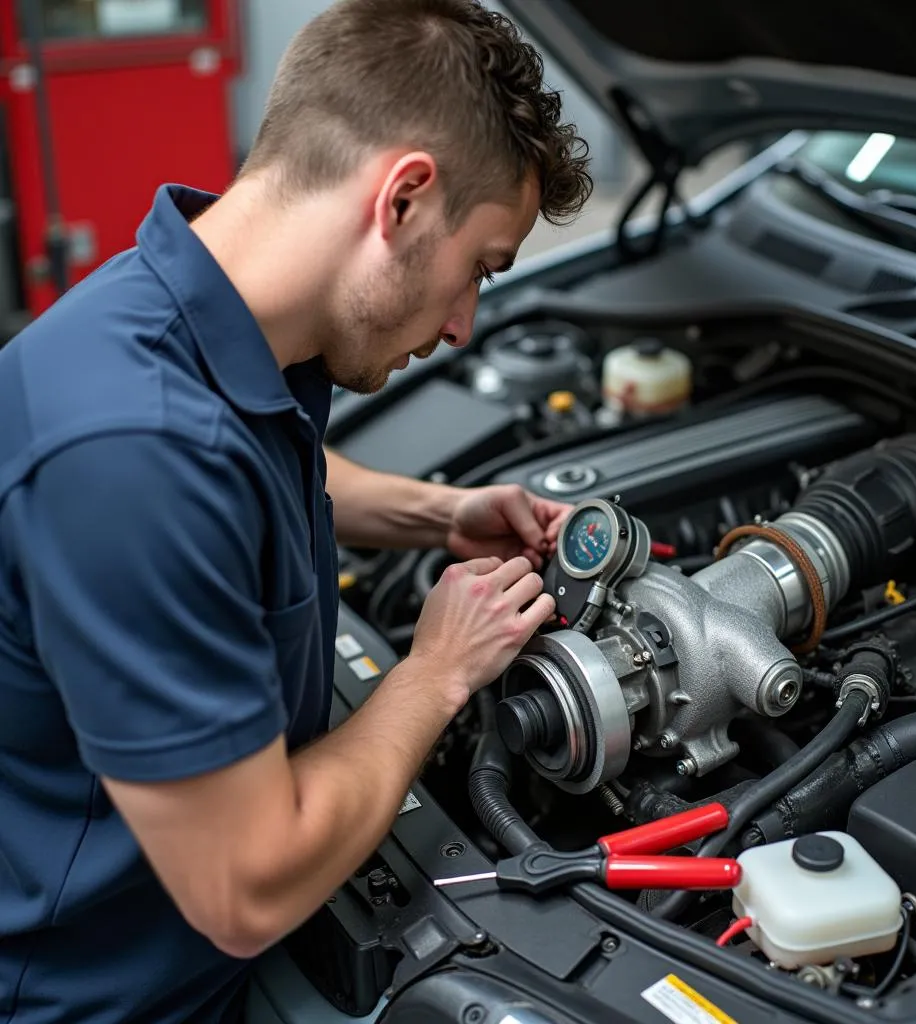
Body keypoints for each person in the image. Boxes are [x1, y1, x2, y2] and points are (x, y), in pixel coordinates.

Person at [0, 1, 592, 1021]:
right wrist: (436, 673)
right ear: (401, 197)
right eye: (479, 271)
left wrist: (439, 513)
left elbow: (264, 457)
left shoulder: (173, 312)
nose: (463, 326)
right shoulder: (129, 460)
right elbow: (247, 888)